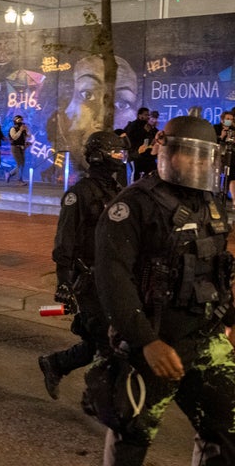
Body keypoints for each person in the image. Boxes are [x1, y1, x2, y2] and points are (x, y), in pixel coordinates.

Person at [91, 116, 235, 465]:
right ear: (164, 149)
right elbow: (113, 279)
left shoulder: (211, 203)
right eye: (189, 154)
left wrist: (229, 319)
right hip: (153, 342)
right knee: (131, 437)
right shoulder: (133, 206)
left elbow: (217, 268)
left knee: (227, 432)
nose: (198, 163)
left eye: (205, 157)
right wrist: (146, 340)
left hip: (206, 337)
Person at [37, 131, 126, 400]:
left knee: (102, 339)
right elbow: (65, 241)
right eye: (115, 152)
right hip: (87, 280)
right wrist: (63, 282)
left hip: (112, 278)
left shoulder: (118, 191)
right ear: (99, 156)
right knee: (107, 342)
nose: (120, 157)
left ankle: (56, 364)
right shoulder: (78, 194)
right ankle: (97, 398)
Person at [124, 107, 152, 181]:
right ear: (140, 116)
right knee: (135, 173)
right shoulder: (133, 125)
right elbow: (132, 138)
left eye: (149, 115)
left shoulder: (147, 126)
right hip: (134, 155)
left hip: (143, 155)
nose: (148, 117)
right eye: (146, 115)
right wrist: (144, 131)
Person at [214, 110, 235, 205]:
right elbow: (213, 142)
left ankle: (230, 198)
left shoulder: (233, 130)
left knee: (231, 176)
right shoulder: (216, 128)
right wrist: (221, 136)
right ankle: (216, 195)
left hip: (231, 156)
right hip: (218, 156)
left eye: (231, 119)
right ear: (222, 120)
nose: (229, 121)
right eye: (227, 119)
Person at [6, 115, 29, 184]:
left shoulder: (23, 128)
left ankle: (13, 176)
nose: (21, 122)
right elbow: (14, 137)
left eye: (22, 120)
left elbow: (28, 136)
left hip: (22, 147)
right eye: (19, 120)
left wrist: (26, 130)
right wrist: (20, 130)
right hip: (15, 148)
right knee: (19, 164)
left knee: (22, 164)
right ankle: (16, 178)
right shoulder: (12, 129)